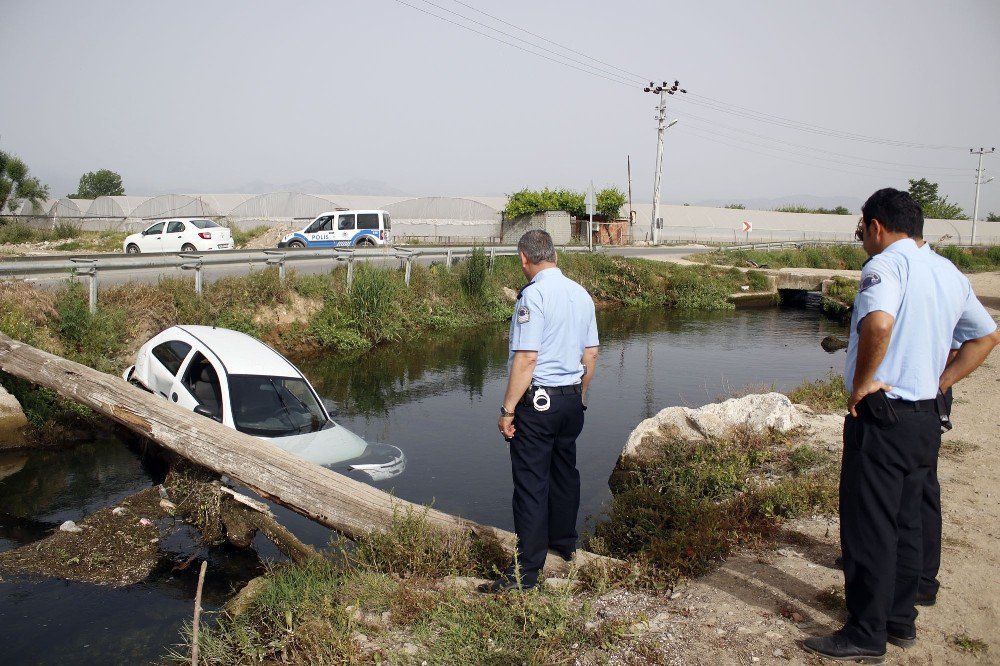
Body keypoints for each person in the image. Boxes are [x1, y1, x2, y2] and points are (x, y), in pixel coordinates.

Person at [804, 188, 999, 662]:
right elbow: (987, 335)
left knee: (870, 524)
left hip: (885, 416)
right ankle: (899, 621)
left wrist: (864, 382)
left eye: (861, 231)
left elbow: (879, 325)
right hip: (925, 417)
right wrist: (943, 380)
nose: (862, 240)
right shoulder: (947, 271)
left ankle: (865, 634)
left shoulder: (885, 265)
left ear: (875, 226)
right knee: (908, 521)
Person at [482, 229, 599, 592]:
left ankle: (526, 572)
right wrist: (579, 395)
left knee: (532, 484)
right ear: (555, 255)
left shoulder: (532, 298)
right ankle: (563, 546)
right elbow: (591, 354)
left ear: (523, 258)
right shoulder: (581, 294)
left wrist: (507, 409)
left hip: (540, 402)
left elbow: (528, 358)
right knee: (565, 474)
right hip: (570, 401)